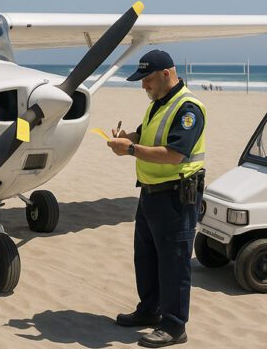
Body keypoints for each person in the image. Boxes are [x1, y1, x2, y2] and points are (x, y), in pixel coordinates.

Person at [107, 49, 206, 348]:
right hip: (150, 193)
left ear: (167, 74)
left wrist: (130, 150)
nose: (143, 86)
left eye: (147, 79)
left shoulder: (189, 108)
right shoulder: (158, 104)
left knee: (174, 263)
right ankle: (150, 310)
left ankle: (175, 327)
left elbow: (175, 154)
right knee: (146, 257)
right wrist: (131, 138)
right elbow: (150, 134)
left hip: (176, 196)